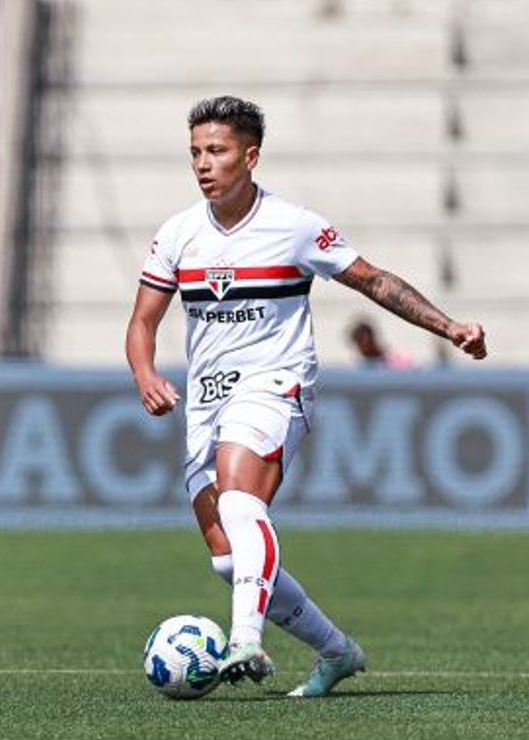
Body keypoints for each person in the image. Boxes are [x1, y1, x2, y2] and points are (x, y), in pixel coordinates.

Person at [125, 96, 487, 697]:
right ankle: (336, 651)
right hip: (206, 400)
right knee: (226, 557)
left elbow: (373, 279)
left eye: (216, 151)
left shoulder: (292, 226)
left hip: (275, 380)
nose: (202, 164)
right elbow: (143, 322)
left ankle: (245, 638)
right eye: (195, 152)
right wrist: (144, 373)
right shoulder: (178, 234)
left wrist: (447, 327)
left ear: (251, 155)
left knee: (241, 501)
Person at [348, 318, 415, 369]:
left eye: (364, 341)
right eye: (359, 342)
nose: (363, 346)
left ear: (371, 338)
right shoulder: (360, 367)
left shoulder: (396, 359)